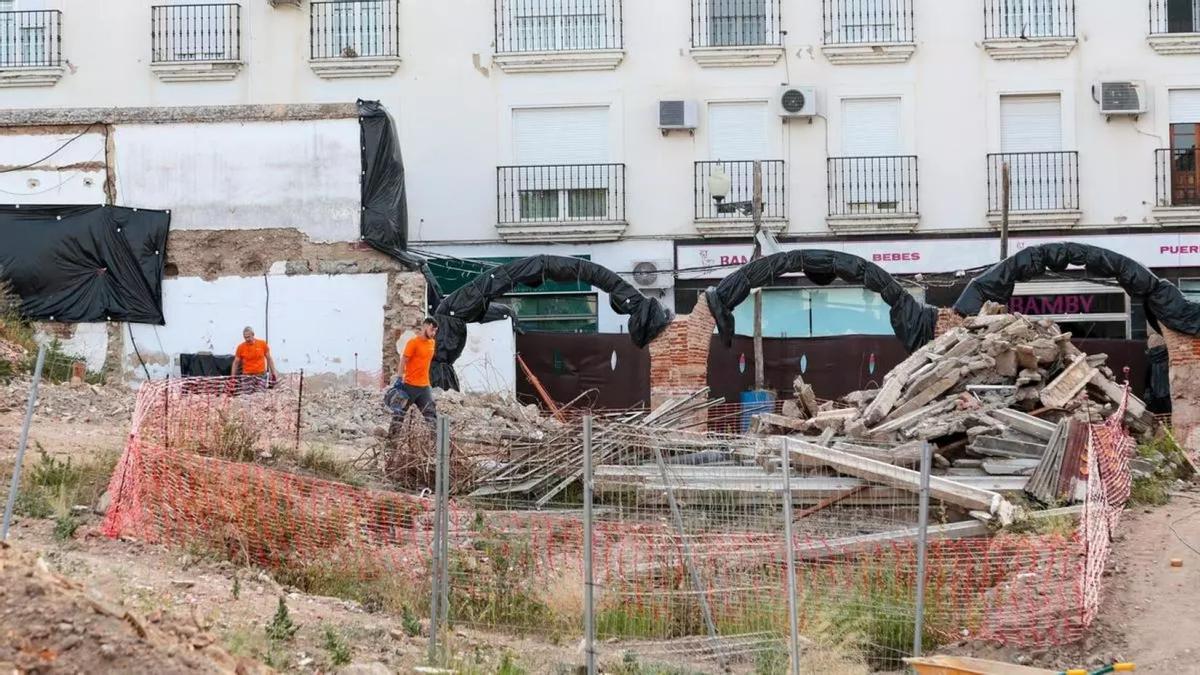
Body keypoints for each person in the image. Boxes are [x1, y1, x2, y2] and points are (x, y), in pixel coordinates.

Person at [389, 317, 438, 422]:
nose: (433, 333)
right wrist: (399, 377)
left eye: (435, 331)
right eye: (432, 329)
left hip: (425, 386)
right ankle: (393, 437)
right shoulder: (413, 343)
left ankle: (435, 438)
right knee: (399, 414)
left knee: (431, 415)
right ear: (424, 327)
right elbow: (403, 360)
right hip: (409, 385)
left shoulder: (432, 343)